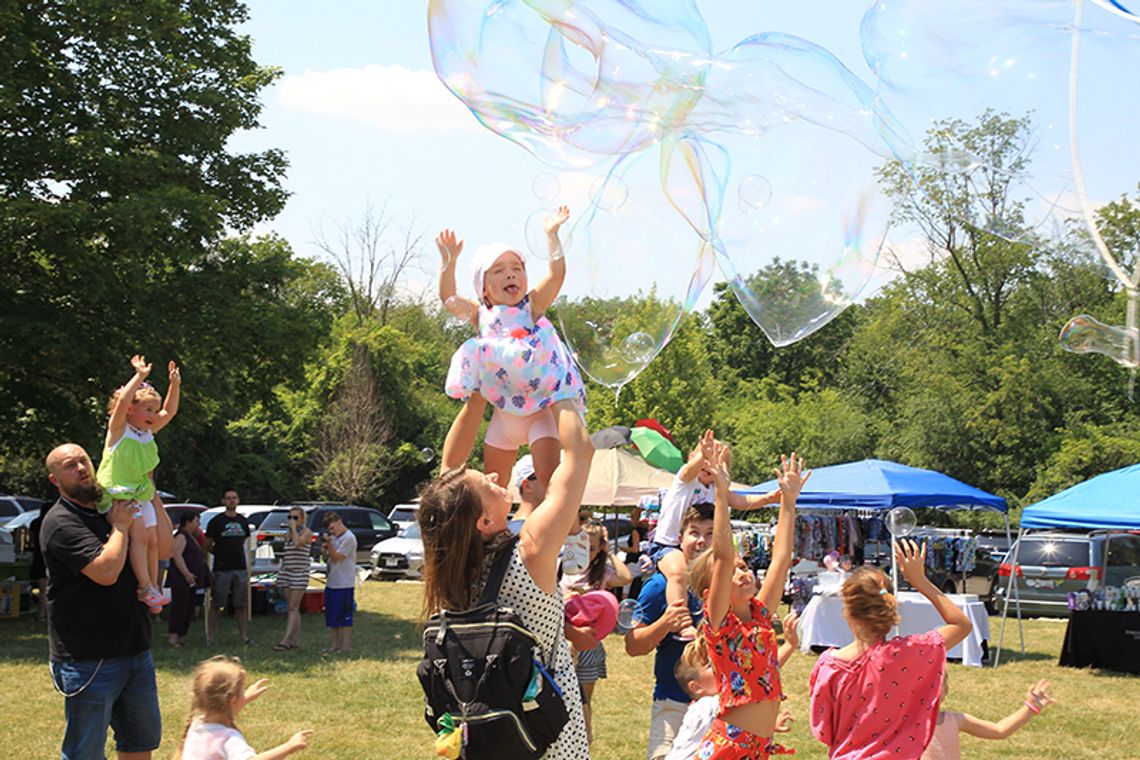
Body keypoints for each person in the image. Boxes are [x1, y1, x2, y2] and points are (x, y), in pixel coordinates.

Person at [422, 397, 594, 759]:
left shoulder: (448, 561)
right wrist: (557, 385)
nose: (497, 477)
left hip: (486, 733)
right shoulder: (530, 550)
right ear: (485, 522)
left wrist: (477, 398)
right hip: (547, 729)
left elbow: (450, 474)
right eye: (489, 485)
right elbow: (580, 452)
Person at [436, 206, 587, 491]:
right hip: (503, 416)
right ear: (483, 288)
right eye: (499, 270)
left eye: (517, 268)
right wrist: (449, 262)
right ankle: (494, 527)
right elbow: (448, 298)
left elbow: (556, 276)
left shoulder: (531, 308)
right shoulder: (480, 314)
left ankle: (564, 530)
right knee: (496, 484)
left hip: (538, 412)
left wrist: (552, 235)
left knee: (548, 477)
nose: (511, 275)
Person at [685, 445, 807, 759]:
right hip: (730, 747)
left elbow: (780, 560)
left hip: (757, 750)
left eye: (745, 566)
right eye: (734, 570)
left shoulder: (760, 615)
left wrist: (789, 502)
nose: (743, 571)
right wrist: (723, 495)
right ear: (712, 587)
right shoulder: (719, 624)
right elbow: (724, 556)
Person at [41, 443, 162, 759]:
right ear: (55, 480)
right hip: (88, 659)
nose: (81, 468)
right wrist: (120, 528)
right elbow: (106, 571)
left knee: (139, 744)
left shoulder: (111, 506)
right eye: (70, 465)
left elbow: (163, 549)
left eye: (83, 460)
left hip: (135, 650)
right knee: (86, 753)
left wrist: (149, 489)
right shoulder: (60, 522)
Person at [808, 540, 974, 760]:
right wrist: (920, 581)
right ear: (891, 609)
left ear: (848, 612)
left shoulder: (828, 666)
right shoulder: (911, 653)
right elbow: (962, 625)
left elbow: (824, 731)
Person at [652, 430, 780, 640]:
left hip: (705, 550)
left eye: (717, 461)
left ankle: (748, 612)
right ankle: (681, 623)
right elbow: (689, 470)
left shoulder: (717, 488)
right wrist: (704, 455)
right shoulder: (685, 481)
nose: (709, 463)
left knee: (731, 574)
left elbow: (742, 502)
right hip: (669, 545)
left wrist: (767, 499)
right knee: (679, 573)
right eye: (704, 458)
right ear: (692, 459)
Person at [624, 502, 714, 760]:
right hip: (673, 703)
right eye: (695, 532)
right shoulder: (659, 586)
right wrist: (665, 622)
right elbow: (633, 646)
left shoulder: (725, 582)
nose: (702, 541)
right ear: (680, 538)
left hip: (720, 704)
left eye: (710, 533)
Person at [96, 354, 179, 613]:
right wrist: (140, 376)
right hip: (119, 492)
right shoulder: (119, 429)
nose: (155, 415)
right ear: (131, 409)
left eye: (155, 410)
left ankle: (153, 587)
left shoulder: (147, 432)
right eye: (149, 410)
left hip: (140, 492)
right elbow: (122, 400)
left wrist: (174, 384)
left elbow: (171, 411)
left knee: (153, 539)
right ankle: (144, 586)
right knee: (142, 535)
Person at [666, 611, 800, 760]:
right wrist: (788, 646)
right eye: (711, 666)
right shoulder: (705, 705)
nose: (720, 667)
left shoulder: (709, 707)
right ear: (696, 687)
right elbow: (754, 679)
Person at [560, 522, 633, 744]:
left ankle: (584, 736)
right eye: (581, 547)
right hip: (566, 638)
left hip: (591, 641)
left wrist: (608, 552)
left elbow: (626, 577)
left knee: (584, 694)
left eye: (591, 548)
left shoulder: (602, 572)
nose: (586, 553)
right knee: (564, 690)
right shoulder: (561, 567)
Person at [175, 656, 313, 759]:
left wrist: (244, 698)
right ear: (233, 701)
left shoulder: (196, 725)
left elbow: (222, 711)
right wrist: (288, 747)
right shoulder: (228, 738)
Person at [921, 676, 1055, 759]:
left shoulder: (956, 720)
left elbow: (999, 730)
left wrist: (1030, 709)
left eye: (938, 681)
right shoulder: (903, 723)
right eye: (925, 681)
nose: (932, 687)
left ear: (947, 690)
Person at [204, 488, 252, 646]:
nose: (231, 500)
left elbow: (245, 539)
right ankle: (210, 637)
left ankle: (244, 636)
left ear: (238, 500)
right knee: (217, 603)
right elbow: (207, 544)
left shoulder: (243, 521)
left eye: (234, 498)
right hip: (222, 568)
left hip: (240, 567)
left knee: (241, 604)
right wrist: (220, 554)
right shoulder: (216, 522)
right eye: (228, 498)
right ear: (223, 501)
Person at [274, 506, 313, 652]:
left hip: (300, 573)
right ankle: (294, 639)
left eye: (295, 518)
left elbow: (298, 543)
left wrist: (294, 529)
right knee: (291, 607)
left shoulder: (306, 532)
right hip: (287, 572)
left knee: (293, 607)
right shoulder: (288, 533)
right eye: (289, 517)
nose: (292, 520)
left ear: (302, 519)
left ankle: (286, 640)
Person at [168, 510, 209, 648]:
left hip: (191, 582)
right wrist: (187, 574)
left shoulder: (191, 536)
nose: (198, 524)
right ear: (188, 522)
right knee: (179, 607)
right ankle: (173, 637)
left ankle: (182, 636)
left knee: (188, 608)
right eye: (196, 521)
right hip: (182, 580)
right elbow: (176, 555)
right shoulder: (181, 536)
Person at [321, 511, 357, 654]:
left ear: (339, 522)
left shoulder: (349, 538)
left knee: (344, 617)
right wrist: (324, 551)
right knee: (332, 617)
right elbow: (328, 559)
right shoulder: (334, 538)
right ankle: (335, 645)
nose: (331, 532)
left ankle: (346, 646)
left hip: (344, 583)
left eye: (332, 528)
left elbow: (337, 557)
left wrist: (329, 544)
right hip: (332, 582)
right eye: (329, 530)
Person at [29, 501, 49, 622]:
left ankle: (41, 615)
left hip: (38, 558)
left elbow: (31, 539)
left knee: (43, 591)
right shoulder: (53, 522)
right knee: (49, 591)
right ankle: (47, 615)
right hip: (50, 558)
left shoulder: (35, 523)